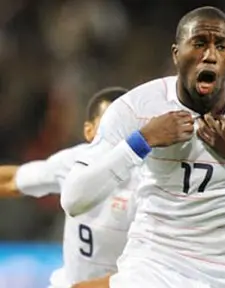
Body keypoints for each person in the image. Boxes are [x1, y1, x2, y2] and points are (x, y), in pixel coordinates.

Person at [62, 6, 225, 288]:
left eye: (221, 46)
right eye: (198, 44)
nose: (209, 55)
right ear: (176, 54)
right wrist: (140, 142)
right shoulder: (135, 108)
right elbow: (74, 199)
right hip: (153, 268)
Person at [0, 87, 137, 288]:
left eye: (127, 127)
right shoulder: (72, 163)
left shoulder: (151, 180)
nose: (119, 134)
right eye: (110, 125)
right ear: (89, 131)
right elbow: (12, 181)